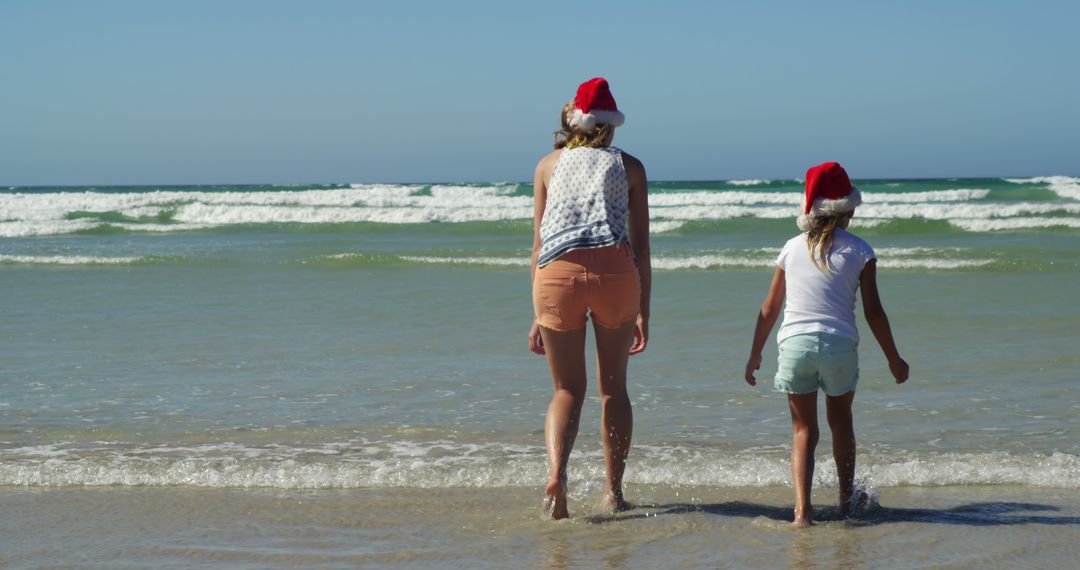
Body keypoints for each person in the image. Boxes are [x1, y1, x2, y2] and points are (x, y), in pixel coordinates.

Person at [744, 162, 909, 527]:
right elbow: (874, 312)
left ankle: (802, 513)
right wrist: (894, 359)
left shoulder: (790, 248)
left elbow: (770, 308)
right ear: (845, 208)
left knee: (803, 431)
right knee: (841, 422)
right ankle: (847, 505)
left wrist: (755, 353)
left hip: (795, 346)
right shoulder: (861, 251)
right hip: (838, 346)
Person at [527, 77, 651, 520]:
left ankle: (557, 475)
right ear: (611, 125)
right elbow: (640, 245)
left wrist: (536, 311)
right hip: (615, 274)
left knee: (565, 390)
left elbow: (540, 244)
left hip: (555, 277)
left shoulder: (546, 165)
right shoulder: (630, 167)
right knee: (612, 390)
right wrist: (643, 311)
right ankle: (613, 492)